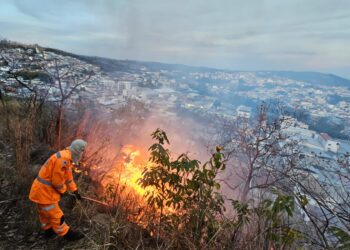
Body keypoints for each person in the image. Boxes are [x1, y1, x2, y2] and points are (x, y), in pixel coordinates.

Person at [29, 139, 87, 241]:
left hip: (41, 191)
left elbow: (69, 179)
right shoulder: (63, 159)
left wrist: (75, 191)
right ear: (78, 151)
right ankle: (68, 235)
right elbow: (57, 182)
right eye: (82, 152)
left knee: (44, 214)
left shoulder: (67, 157)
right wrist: (64, 192)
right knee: (57, 216)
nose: (82, 154)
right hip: (44, 193)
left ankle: (48, 232)